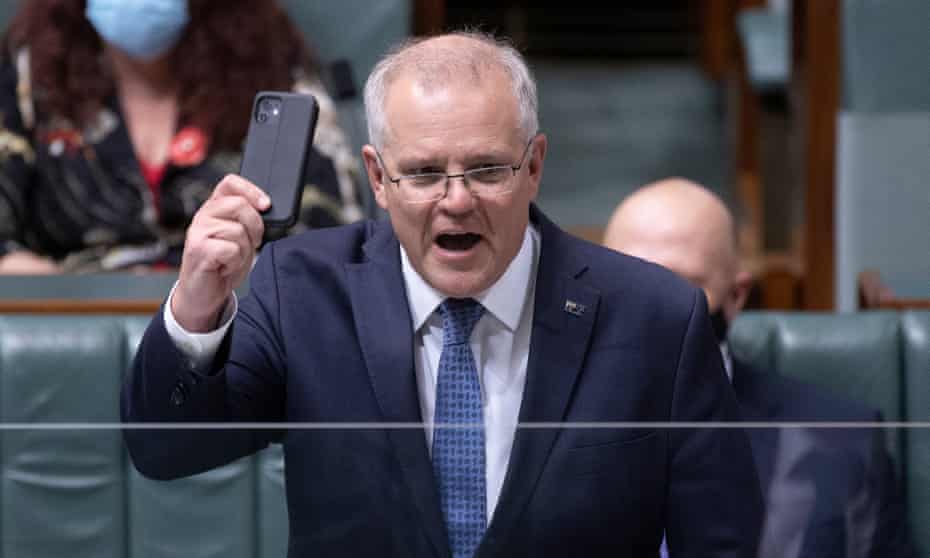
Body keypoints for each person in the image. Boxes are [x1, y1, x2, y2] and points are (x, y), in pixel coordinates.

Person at [122, 32, 763, 557]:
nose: (456, 202)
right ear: (378, 176)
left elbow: (721, 540)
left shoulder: (655, 318)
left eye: (486, 170)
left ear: (534, 165)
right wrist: (196, 304)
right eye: (425, 174)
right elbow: (166, 449)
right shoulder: (302, 291)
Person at [603, 178, 914, 558]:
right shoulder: (533, 418)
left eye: (680, 286)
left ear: (736, 296)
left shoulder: (845, 441)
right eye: (626, 281)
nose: (651, 306)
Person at [0, 0, 362, 274]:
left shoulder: (273, 68)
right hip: (76, 326)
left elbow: (334, 236)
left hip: (238, 315)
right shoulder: (30, 76)